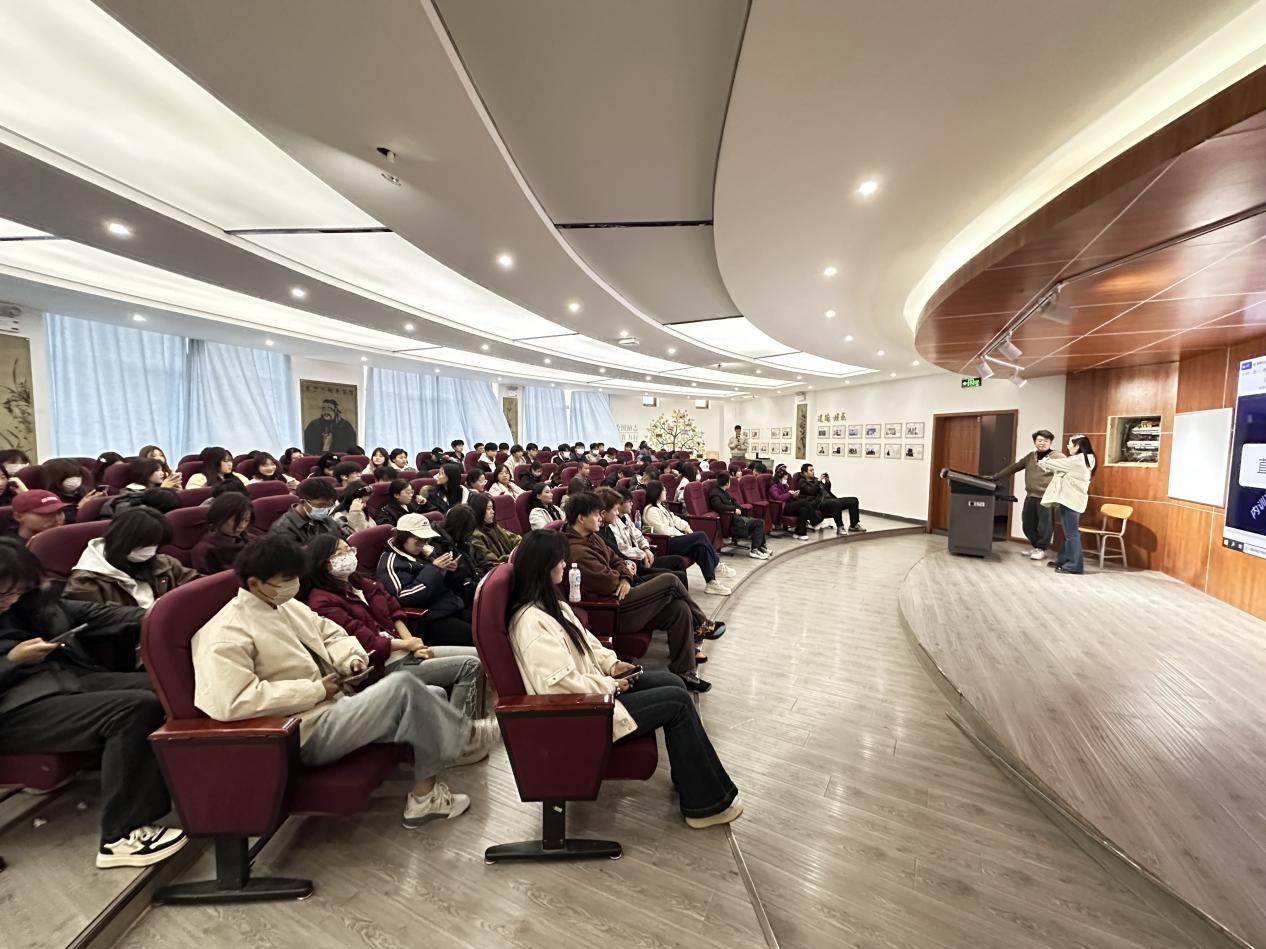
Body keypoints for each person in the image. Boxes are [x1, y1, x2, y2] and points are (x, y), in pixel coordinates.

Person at [192, 536, 492, 829]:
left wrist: (350, 658)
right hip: (300, 730)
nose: (293, 585)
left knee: (433, 694)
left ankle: (425, 799)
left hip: (334, 705)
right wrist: (315, 690)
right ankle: (464, 735)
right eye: (287, 579)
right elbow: (232, 701)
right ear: (256, 583)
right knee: (402, 686)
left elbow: (331, 633)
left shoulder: (285, 605)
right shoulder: (225, 632)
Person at [508, 531, 741, 828]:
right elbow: (557, 686)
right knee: (677, 701)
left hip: (594, 692)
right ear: (542, 566)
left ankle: (690, 777)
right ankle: (705, 806)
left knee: (674, 683)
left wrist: (613, 664)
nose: (565, 564)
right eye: (559, 560)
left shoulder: (552, 604)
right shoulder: (530, 623)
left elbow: (588, 643)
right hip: (580, 715)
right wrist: (610, 685)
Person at [0, 539, 188, 867]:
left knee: (165, 688)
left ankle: (182, 782)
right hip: (13, 708)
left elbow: (94, 614)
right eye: (4, 593)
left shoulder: (30, 604)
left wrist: (162, 615)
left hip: (63, 680)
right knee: (133, 709)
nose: (10, 600)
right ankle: (122, 835)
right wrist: (12, 660)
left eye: (17, 591)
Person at [301, 536, 486, 724]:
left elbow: (394, 610)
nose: (348, 555)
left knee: (479, 656)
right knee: (470, 666)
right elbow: (363, 640)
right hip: (381, 664)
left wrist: (413, 644)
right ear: (324, 563)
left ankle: (465, 725)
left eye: (350, 550)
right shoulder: (321, 602)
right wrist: (407, 644)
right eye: (341, 553)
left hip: (404, 649)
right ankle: (462, 732)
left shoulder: (361, 582)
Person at [564, 493, 710, 692]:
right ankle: (702, 623)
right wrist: (621, 575)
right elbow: (608, 582)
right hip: (612, 610)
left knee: (679, 609)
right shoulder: (576, 551)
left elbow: (617, 559)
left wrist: (624, 577)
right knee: (670, 580)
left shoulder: (592, 537)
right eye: (596, 514)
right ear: (581, 518)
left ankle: (684, 672)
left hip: (623, 597)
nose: (600, 517)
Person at [64, 507, 198, 608]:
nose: (151, 551)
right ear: (123, 542)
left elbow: (199, 586)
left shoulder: (164, 563)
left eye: (156, 545)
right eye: (146, 546)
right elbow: (98, 624)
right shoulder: (85, 582)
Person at [376, 514, 473, 646]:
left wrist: (451, 571)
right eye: (418, 540)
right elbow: (404, 597)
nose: (422, 544)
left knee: (489, 624)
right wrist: (434, 569)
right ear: (403, 537)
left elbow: (443, 585)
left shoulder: (423, 553)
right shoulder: (390, 563)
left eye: (425, 540)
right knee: (479, 637)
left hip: (450, 607)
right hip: (429, 619)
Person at [642, 481, 734, 592]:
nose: (666, 492)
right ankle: (716, 564)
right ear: (657, 492)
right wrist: (684, 536)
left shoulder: (660, 506)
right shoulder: (650, 511)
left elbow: (674, 519)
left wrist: (686, 527)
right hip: (666, 543)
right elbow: (663, 530)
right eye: (663, 490)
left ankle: (711, 582)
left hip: (673, 539)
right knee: (700, 536)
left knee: (700, 548)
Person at [596, 487, 690, 589]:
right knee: (674, 577)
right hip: (633, 568)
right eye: (629, 501)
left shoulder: (622, 519)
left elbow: (638, 535)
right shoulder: (606, 529)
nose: (632, 504)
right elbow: (621, 550)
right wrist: (640, 555)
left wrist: (646, 549)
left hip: (633, 565)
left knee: (678, 563)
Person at [991, 429, 1064, 560]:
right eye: (1039, 440)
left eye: (1046, 441)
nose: (1042, 443)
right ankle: (1036, 547)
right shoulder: (1031, 456)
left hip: (1046, 497)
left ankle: (1041, 548)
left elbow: (1069, 470)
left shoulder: (1057, 457)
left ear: (1050, 442)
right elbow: (1014, 467)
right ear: (1035, 442)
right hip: (1031, 495)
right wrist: (996, 476)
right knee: (1027, 524)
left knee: (1045, 526)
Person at [1040, 435, 1096, 575]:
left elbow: (1050, 464)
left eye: (1070, 444)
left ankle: (1074, 566)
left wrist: (1044, 459)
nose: (1068, 446)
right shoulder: (1087, 458)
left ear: (1077, 446)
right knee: (1068, 533)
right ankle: (1063, 561)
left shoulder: (1077, 460)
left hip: (1071, 501)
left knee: (1072, 534)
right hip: (1072, 500)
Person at [435, 505, 490, 604]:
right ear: (458, 528)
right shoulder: (438, 546)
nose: (469, 534)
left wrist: (490, 570)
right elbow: (452, 582)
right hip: (464, 595)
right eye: (467, 531)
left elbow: (479, 559)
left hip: (479, 585)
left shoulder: (463, 540)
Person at [708, 472, 770, 559]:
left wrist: (737, 507)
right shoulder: (715, 493)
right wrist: (734, 509)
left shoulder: (724, 492)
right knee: (759, 523)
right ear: (727, 483)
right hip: (732, 524)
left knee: (760, 522)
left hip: (737, 519)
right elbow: (719, 507)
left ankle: (761, 547)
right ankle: (754, 550)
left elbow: (734, 501)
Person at [269, 479, 350, 543]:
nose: (325, 509)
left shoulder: (326, 519)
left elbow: (341, 539)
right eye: (321, 505)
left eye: (328, 505)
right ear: (303, 502)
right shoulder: (282, 529)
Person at [192, 492, 252, 574]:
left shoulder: (250, 539)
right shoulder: (204, 551)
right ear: (219, 517)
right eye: (236, 520)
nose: (242, 526)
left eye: (246, 520)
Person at [798, 463, 865, 535]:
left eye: (813, 470)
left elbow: (826, 490)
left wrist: (827, 481)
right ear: (805, 472)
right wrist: (818, 481)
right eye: (811, 470)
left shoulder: (816, 479)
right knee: (835, 503)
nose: (813, 472)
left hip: (830, 500)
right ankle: (840, 527)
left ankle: (854, 525)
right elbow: (811, 491)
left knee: (853, 500)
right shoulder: (802, 482)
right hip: (819, 503)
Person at [467, 492, 520, 566]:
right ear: (479, 511)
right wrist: (515, 556)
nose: (493, 512)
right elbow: (493, 561)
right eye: (488, 509)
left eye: (492, 508)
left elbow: (514, 539)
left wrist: (523, 547)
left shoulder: (493, 526)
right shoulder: (475, 535)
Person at [769, 466, 821, 539]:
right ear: (780, 478)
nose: (786, 481)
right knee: (803, 502)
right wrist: (789, 494)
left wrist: (793, 495)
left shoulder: (785, 485)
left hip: (788, 505)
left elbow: (788, 495)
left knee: (803, 510)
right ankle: (815, 520)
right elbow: (778, 498)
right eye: (785, 479)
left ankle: (800, 533)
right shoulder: (774, 488)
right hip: (781, 508)